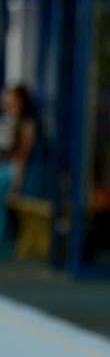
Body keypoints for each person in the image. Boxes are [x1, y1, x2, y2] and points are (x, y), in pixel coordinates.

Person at [0, 85, 41, 252]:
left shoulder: (26, 124)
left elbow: (21, 156)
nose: (5, 101)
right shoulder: (8, 120)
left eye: (10, 98)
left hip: (13, 170)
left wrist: (17, 182)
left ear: (20, 101)